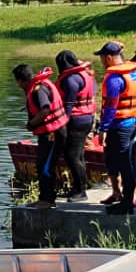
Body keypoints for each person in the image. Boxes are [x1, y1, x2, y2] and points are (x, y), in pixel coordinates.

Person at [95, 41, 136, 214]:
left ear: (108, 58)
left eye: (101, 57)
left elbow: (110, 107)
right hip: (132, 126)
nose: (101, 61)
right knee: (125, 162)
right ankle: (122, 196)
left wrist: (103, 129)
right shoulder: (135, 73)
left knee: (125, 164)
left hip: (119, 127)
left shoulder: (114, 79)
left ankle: (127, 203)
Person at [13, 64, 69, 209]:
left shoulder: (38, 90)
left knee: (45, 166)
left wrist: (31, 123)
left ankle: (47, 199)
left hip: (53, 133)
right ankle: (46, 197)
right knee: (42, 164)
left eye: (17, 82)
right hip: (49, 133)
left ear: (20, 81)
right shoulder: (37, 86)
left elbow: (45, 109)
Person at [55, 50, 96, 201]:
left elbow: (68, 104)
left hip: (76, 121)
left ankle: (81, 191)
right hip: (87, 118)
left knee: (72, 156)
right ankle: (78, 188)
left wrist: (61, 124)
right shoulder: (86, 75)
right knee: (78, 155)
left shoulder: (70, 80)